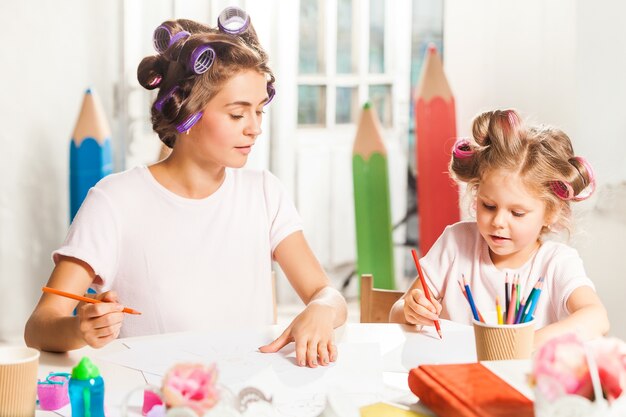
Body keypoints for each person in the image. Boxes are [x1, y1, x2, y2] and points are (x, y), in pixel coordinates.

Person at [25, 7, 347, 368]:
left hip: (248, 392)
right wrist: (79, 329)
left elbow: (328, 294)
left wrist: (321, 307)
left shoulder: (264, 194)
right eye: (238, 114)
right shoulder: (114, 201)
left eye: (260, 111)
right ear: (187, 115)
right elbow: (39, 326)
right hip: (157, 395)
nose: (255, 128)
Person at [389, 109, 609, 347]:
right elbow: (397, 313)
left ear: (550, 213)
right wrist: (411, 311)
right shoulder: (455, 242)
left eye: (517, 213)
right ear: (476, 193)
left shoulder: (556, 262)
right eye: (489, 206)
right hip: (455, 376)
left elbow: (597, 318)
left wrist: (525, 345)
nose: (498, 222)